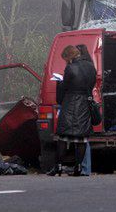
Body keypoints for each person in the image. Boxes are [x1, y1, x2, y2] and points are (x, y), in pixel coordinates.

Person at [47, 45, 97, 177]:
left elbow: (64, 89)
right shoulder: (91, 67)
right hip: (84, 104)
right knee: (82, 138)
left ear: (69, 56)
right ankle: (79, 167)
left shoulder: (70, 68)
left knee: (63, 137)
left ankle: (58, 166)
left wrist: (59, 83)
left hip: (70, 104)